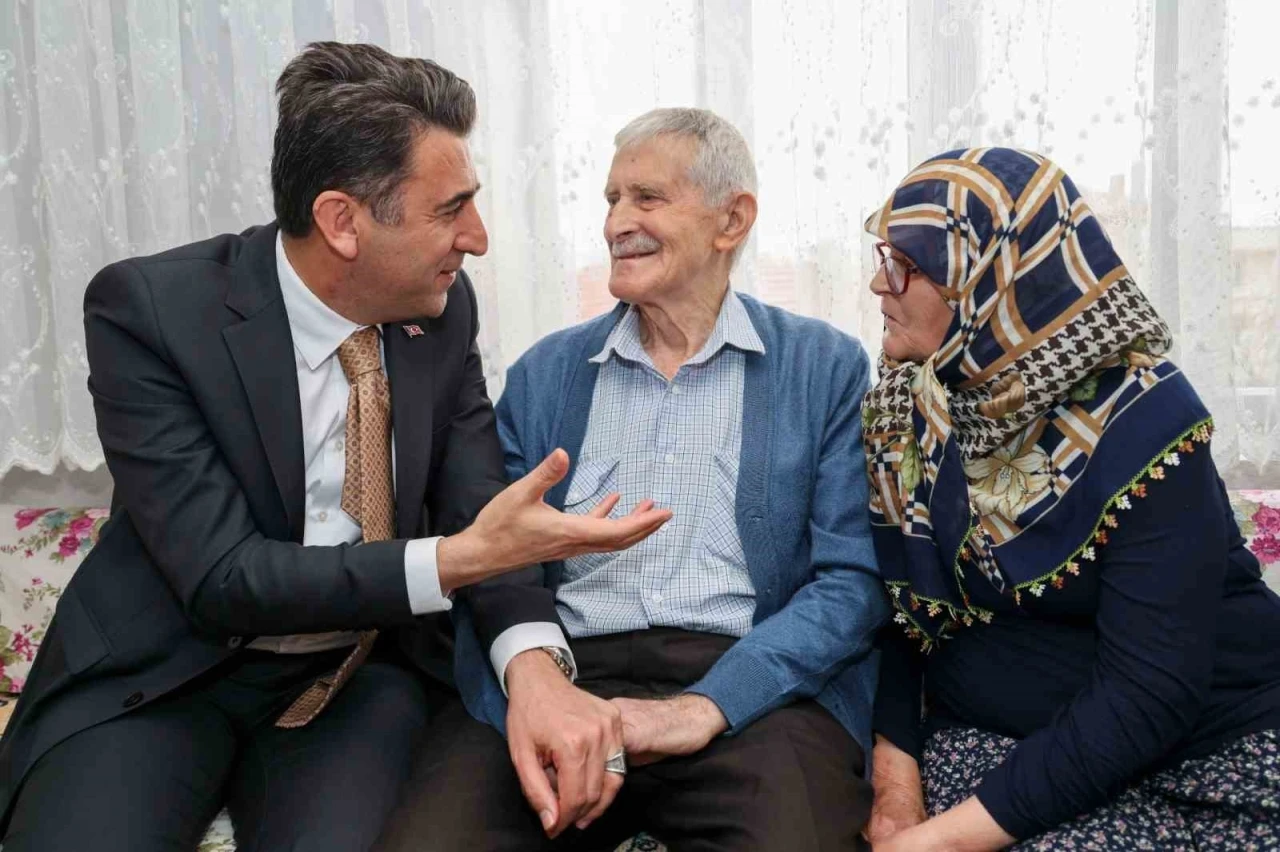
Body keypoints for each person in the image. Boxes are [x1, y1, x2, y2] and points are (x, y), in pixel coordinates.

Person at [0, 42, 670, 852]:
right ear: (342, 222)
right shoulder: (151, 312)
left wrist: (535, 668)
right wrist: (453, 560)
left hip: (351, 677)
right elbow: (221, 579)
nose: (478, 238)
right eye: (450, 209)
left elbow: (482, 513)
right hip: (163, 676)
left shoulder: (442, 313)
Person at [376, 108, 888, 852]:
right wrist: (540, 685)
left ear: (732, 220)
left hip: (750, 685)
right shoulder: (546, 373)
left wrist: (705, 706)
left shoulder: (824, 367)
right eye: (612, 199)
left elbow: (852, 584)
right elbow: (491, 560)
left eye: (647, 198)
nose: (617, 222)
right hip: (565, 671)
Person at [861, 146, 1280, 851]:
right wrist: (894, 789)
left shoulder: (1142, 418)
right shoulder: (908, 411)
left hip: (1214, 750)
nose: (880, 283)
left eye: (908, 265)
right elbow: (908, 620)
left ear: (995, 280)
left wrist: (936, 842)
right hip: (1008, 752)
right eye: (883, 257)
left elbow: (1149, 694)